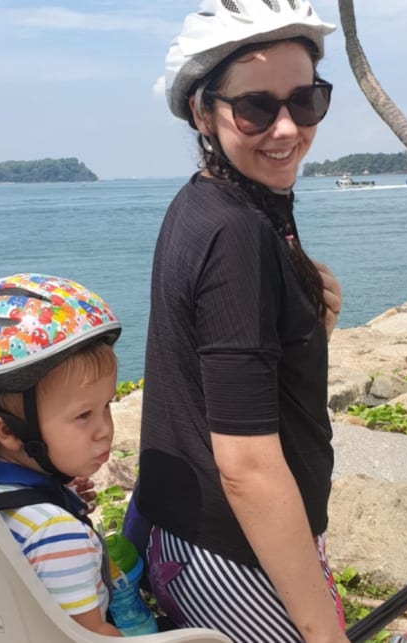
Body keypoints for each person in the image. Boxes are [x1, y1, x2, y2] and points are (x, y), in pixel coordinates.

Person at [130, 1, 347, 641]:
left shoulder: (214, 199)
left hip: (182, 530)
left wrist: (306, 328)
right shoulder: (234, 230)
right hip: (232, 552)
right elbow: (246, 465)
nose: (286, 129)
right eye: (256, 107)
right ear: (203, 111)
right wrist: (322, 632)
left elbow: (215, 365)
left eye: (305, 102)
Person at [0, 273, 123, 637]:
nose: (105, 429)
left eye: (108, 406)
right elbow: (89, 637)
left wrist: (58, 499)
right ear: (9, 431)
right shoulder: (59, 534)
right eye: (84, 415)